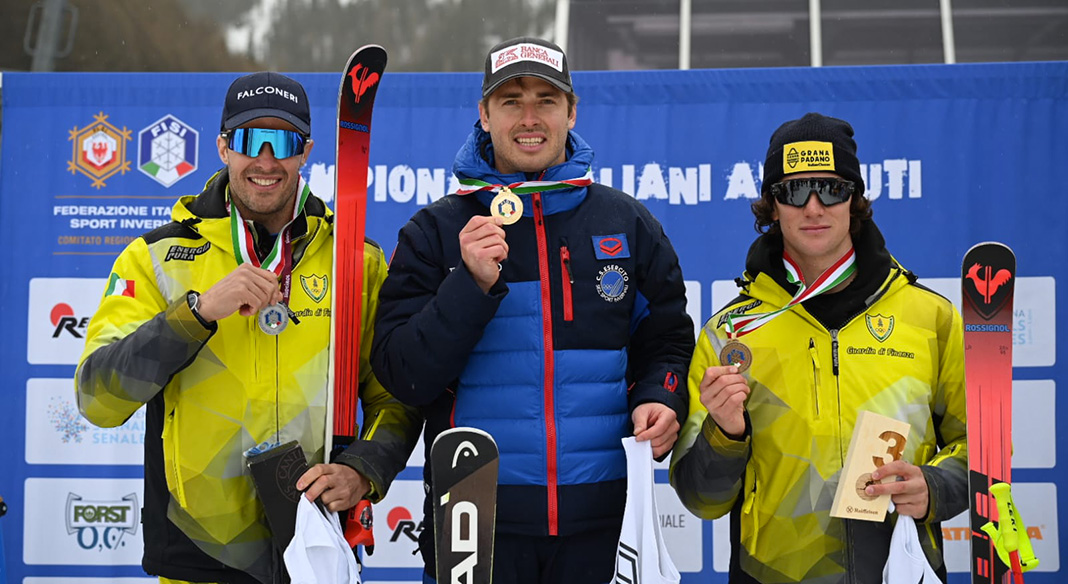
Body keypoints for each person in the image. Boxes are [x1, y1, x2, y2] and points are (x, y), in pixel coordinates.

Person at [75, 71, 420, 584]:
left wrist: (363, 470)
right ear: (221, 146)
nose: (264, 159)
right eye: (246, 139)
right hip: (197, 548)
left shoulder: (356, 261)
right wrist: (196, 313)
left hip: (314, 541)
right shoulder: (156, 260)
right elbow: (98, 397)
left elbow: (398, 396)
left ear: (304, 152)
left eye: (280, 141)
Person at [370, 37, 694, 583]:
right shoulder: (435, 231)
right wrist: (468, 286)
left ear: (571, 111)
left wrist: (662, 394)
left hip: (604, 521)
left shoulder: (626, 223)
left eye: (546, 99)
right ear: (484, 114)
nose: (529, 117)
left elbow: (665, 340)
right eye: (510, 100)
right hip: (473, 520)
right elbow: (402, 374)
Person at [670, 112, 968, 583]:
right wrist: (725, 434)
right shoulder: (730, 333)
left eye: (831, 189)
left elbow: (983, 448)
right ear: (772, 205)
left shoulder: (928, 317)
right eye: (793, 191)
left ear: (854, 198)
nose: (813, 208)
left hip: (899, 569)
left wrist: (937, 486)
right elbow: (700, 500)